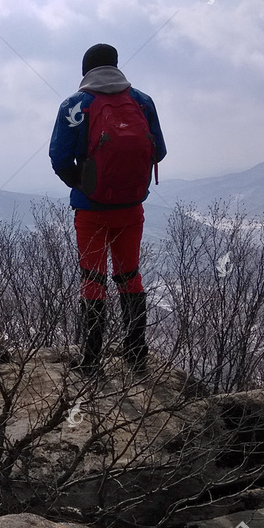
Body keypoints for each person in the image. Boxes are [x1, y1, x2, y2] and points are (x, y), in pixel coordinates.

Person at [49, 43, 167, 376]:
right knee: (130, 276)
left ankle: (91, 361)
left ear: (85, 70)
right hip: (131, 208)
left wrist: (84, 185)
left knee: (93, 280)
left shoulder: (75, 105)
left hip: (91, 210)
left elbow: (59, 158)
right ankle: (135, 354)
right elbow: (158, 151)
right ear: (116, 65)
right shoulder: (142, 102)